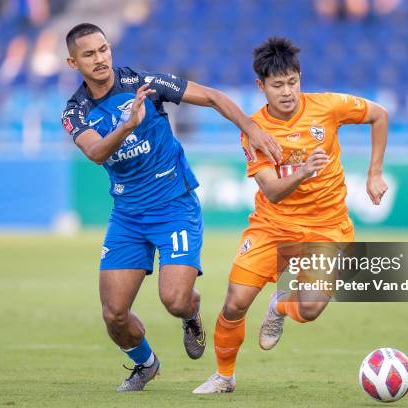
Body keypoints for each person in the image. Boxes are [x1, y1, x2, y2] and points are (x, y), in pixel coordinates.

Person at [61, 23, 282, 392]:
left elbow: (211, 97)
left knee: (175, 300)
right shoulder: (75, 111)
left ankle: (190, 313)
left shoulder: (144, 85)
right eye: (89, 54)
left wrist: (250, 128)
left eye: (103, 49)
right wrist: (128, 125)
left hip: (174, 204)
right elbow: (97, 152)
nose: (99, 59)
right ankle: (144, 364)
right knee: (114, 315)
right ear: (73, 62)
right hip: (128, 216)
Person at [193, 37, 389, 394]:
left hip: (326, 228)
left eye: (293, 82)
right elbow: (271, 190)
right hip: (273, 226)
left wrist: (375, 173)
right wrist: (303, 171)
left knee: (310, 309)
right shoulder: (254, 130)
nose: (287, 92)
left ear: (301, 77)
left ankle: (280, 304)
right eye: (277, 85)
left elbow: (379, 115)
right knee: (235, 302)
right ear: (261, 86)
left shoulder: (328, 107)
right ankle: (224, 376)